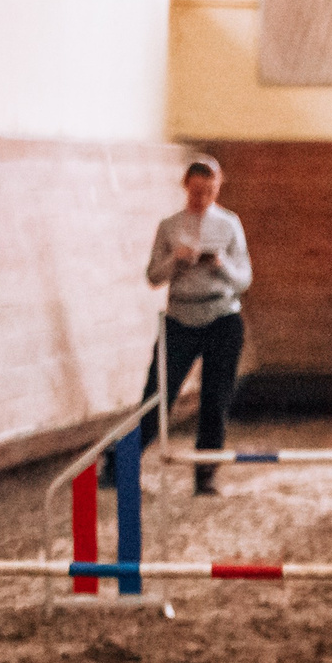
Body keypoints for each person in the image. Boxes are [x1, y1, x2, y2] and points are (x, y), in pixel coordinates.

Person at [143, 156, 251, 498]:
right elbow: (153, 276)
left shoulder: (230, 224)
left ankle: (205, 474)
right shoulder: (169, 226)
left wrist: (220, 266)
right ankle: (119, 463)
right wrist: (176, 259)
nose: (201, 197)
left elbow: (244, 278)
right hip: (181, 317)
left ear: (217, 188)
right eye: (196, 191)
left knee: (215, 398)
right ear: (186, 187)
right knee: (158, 394)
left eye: (208, 191)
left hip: (221, 315)